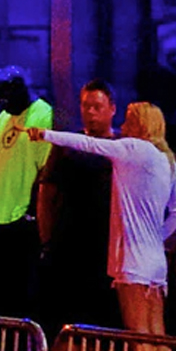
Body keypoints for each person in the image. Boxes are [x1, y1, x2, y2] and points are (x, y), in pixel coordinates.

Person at [32, 101, 176, 351]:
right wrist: (156, 238)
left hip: (132, 261)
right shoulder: (167, 161)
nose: (124, 124)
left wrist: (46, 134)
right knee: (158, 339)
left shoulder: (133, 150)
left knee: (141, 339)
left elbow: (88, 143)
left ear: (142, 124)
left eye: (130, 119)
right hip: (155, 262)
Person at [38, 80, 121, 334]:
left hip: (107, 247)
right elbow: (46, 192)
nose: (91, 112)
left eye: (97, 106)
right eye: (86, 106)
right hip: (69, 244)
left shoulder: (122, 148)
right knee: (67, 320)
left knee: (104, 323)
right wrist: (46, 240)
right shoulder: (67, 146)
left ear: (112, 109)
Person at [0, 66, 52, 323]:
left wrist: (33, 212)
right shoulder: (4, 117)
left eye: (6, 100)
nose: (4, 108)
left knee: (20, 292)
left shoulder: (43, 115)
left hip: (22, 218)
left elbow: (45, 169)